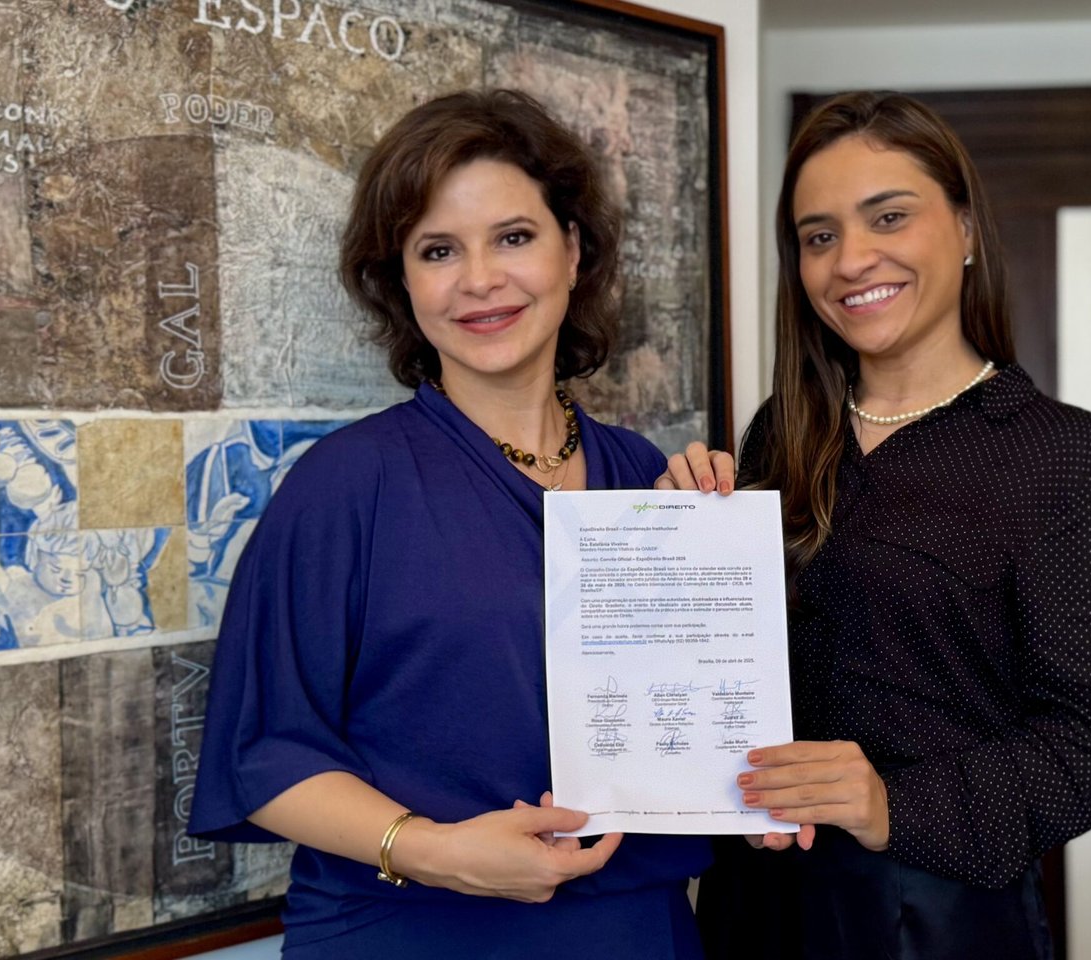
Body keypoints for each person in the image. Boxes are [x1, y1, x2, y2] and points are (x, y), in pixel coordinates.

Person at [188, 89, 729, 958]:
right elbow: (265, 752)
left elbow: (691, 732)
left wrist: (718, 554)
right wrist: (434, 852)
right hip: (408, 931)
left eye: (513, 237)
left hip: (636, 931)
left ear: (572, 251)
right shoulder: (344, 485)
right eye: (439, 250)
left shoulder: (646, 480)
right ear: (402, 280)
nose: (480, 279)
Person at [685, 91, 1091, 960]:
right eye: (819, 236)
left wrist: (891, 804)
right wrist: (681, 537)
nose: (851, 259)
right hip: (754, 901)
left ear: (966, 228)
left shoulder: (1061, 458)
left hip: (937, 917)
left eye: (889, 217)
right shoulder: (781, 434)